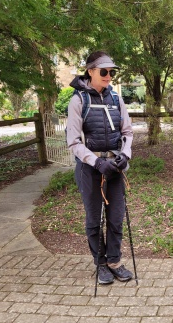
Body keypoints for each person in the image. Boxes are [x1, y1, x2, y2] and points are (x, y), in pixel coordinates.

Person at [66, 51, 134, 284]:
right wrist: (96, 161)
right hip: (90, 169)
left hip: (114, 167)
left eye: (111, 72)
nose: (108, 76)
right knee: (94, 220)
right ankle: (101, 264)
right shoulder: (78, 101)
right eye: (104, 71)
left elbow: (127, 132)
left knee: (116, 218)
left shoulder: (116, 99)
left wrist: (125, 155)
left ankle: (114, 262)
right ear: (91, 71)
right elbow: (73, 142)